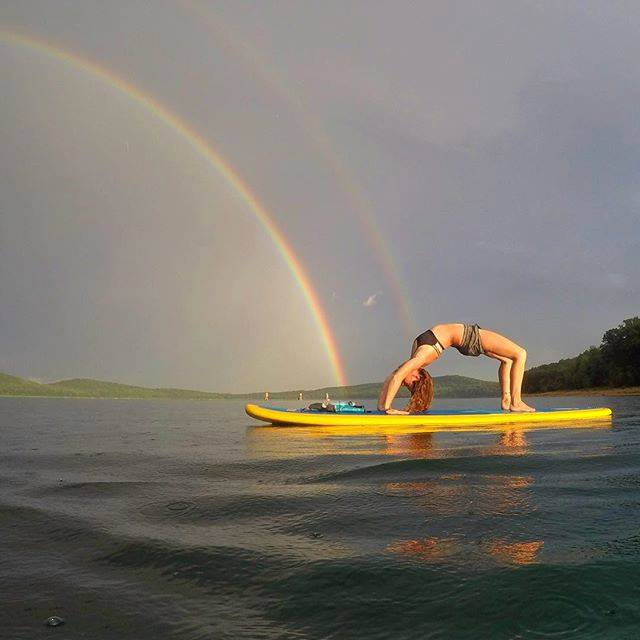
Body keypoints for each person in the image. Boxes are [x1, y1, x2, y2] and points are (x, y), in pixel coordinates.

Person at [377, 323, 535, 415]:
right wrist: (388, 408)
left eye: (406, 385)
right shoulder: (421, 358)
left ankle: (507, 400)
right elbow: (397, 377)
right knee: (520, 354)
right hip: (469, 337)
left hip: (465, 339)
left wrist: (381, 406)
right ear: (417, 377)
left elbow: (393, 377)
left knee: (507, 360)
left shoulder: (415, 357)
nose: (404, 384)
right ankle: (516, 402)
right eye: (409, 385)